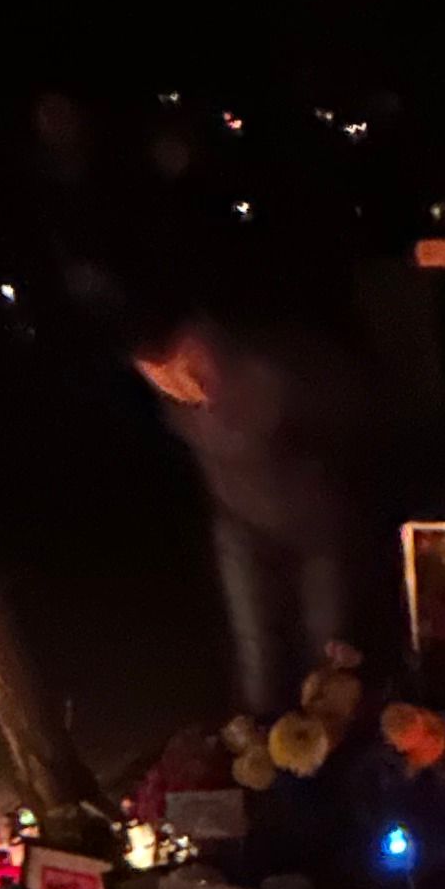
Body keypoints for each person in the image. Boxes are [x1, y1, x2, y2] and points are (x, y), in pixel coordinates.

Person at [129, 305, 366, 716]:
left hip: (313, 525)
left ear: (197, 346)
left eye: (183, 366)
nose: (179, 386)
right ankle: (260, 751)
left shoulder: (264, 373)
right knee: (255, 652)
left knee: (326, 651)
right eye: (159, 377)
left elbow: (342, 416)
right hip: (239, 526)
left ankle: (333, 750)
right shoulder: (174, 399)